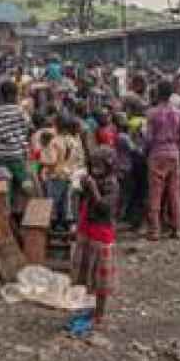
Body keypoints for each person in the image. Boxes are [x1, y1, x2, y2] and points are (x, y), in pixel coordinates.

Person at [72, 145, 120, 327]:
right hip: (87, 229)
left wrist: (93, 189)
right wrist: (82, 187)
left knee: (100, 277)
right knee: (86, 271)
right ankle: (88, 307)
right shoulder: (94, 180)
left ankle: (99, 312)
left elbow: (105, 208)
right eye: (93, 166)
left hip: (101, 232)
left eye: (99, 166)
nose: (95, 170)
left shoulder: (111, 183)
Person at [145, 80, 180, 241]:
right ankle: (177, 228)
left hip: (157, 153)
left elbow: (148, 138)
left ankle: (155, 230)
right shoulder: (179, 113)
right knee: (174, 192)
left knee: (155, 193)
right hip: (174, 153)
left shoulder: (152, 113)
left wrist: (146, 152)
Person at [0, 79, 32, 222]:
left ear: (1, 94)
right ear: (16, 93)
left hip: (2, 155)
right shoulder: (20, 110)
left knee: (5, 187)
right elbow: (27, 129)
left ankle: (7, 220)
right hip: (19, 154)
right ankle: (22, 216)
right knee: (23, 185)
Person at [41, 113, 84, 232]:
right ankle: (65, 226)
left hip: (55, 175)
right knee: (65, 201)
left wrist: (42, 157)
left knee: (54, 202)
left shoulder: (54, 142)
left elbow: (51, 160)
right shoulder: (74, 140)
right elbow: (79, 158)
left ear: (56, 126)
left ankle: (54, 226)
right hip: (69, 174)